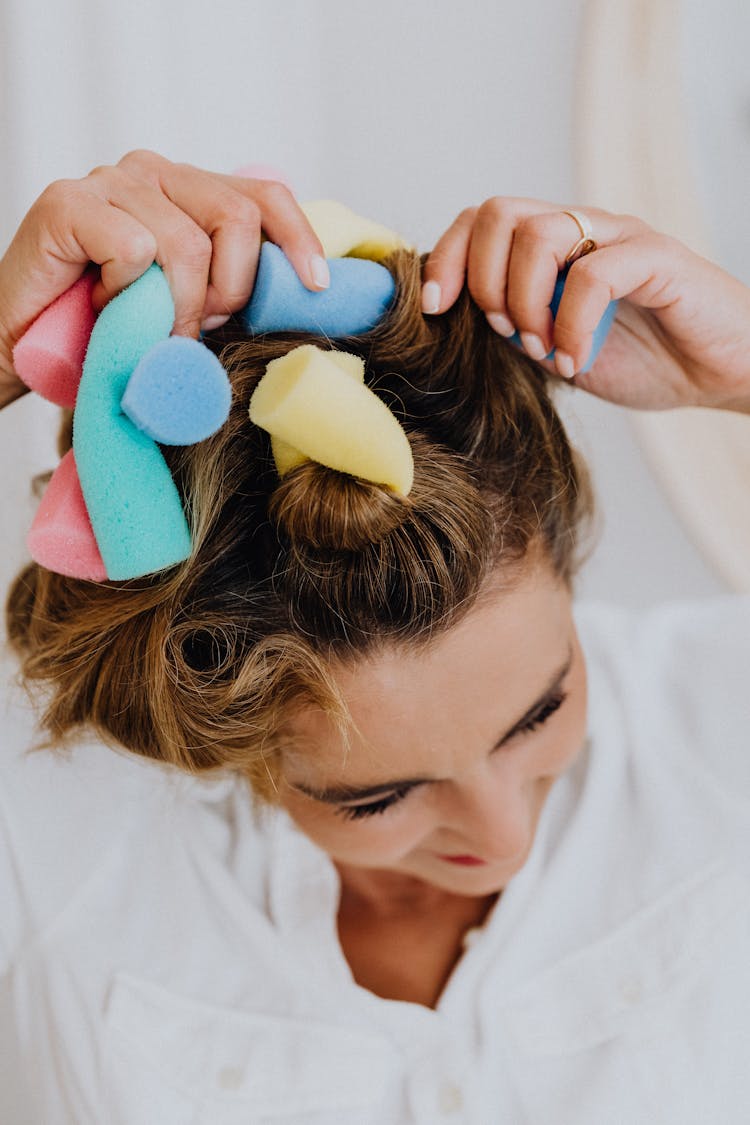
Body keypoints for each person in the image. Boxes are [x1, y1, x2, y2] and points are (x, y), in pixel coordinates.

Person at [1, 150, 749, 1125]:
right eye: (380, 797)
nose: (504, 837)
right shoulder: (52, 849)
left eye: (541, 713)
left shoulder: (716, 727)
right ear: (214, 727)